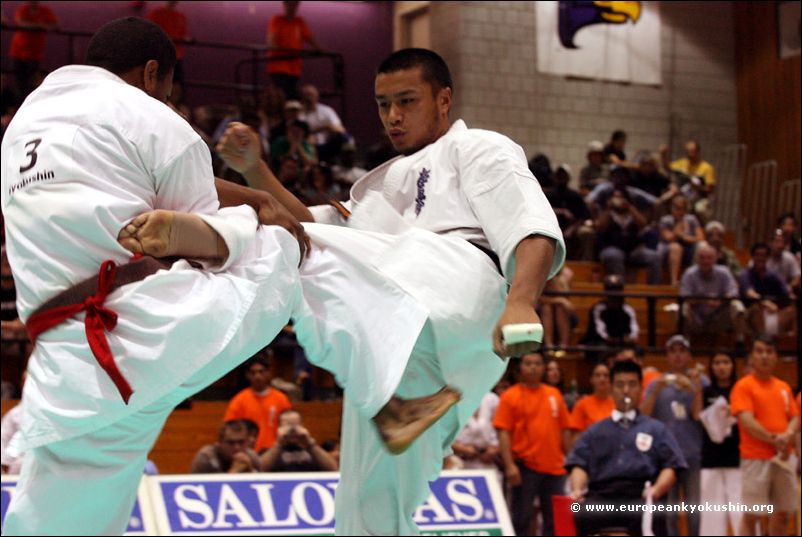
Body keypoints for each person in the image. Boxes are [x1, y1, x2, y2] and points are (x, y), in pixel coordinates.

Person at [138, 47, 564, 536]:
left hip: (461, 285)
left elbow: (532, 225)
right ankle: (400, 407)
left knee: (287, 243)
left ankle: (206, 237)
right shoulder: (375, 184)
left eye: (407, 101)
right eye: (383, 105)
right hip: (404, 348)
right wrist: (256, 171)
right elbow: (305, 226)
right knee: (366, 504)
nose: (393, 116)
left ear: (444, 100)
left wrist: (521, 300)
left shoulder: (480, 148)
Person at [0, 17, 317, 536]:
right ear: (152, 74)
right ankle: (384, 376)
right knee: (286, 245)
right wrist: (260, 209)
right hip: (148, 333)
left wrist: (255, 194)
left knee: (56, 517)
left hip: (64, 364)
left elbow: (121, 168)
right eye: (167, 89)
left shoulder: (25, 121)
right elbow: (206, 247)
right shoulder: (155, 119)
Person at [567, 360, 687, 536]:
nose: (625, 391)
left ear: (640, 389)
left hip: (640, 493)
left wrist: (656, 490)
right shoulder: (595, 431)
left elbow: (671, 466)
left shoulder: (656, 429)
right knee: (581, 512)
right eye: (620, 385)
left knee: (653, 513)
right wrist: (577, 489)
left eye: (632, 385)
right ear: (611, 388)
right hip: (601, 494)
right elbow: (579, 463)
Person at [494, 353, 571, 536]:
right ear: (520, 367)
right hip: (524, 467)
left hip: (555, 468)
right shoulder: (509, 396)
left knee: (554, 520)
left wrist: (570, 460)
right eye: (528, 363)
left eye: (537, 363)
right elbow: (503, 432)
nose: (533, 367)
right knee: (521, 518)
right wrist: (510, 465)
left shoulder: (554, 395)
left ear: (543, 368)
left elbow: (564, 430)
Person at [730, 336, 799, 536]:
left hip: (784, 458)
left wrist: (787, 435)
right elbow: (747, 421)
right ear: (752, 356)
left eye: (769, 352)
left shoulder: (783, 387)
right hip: (755, 457)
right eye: (759, 351)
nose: (764, 356)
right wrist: (774, 439)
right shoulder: (744, 386)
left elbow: (794, 417)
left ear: (776, 356)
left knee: (783, 513)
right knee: (752, 515)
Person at [641, 334, 707, 536]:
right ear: (667, 356)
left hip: (692, 454)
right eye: (673, 352)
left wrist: (695, 390)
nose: (678, 356)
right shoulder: (656, 383)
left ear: (689, 355)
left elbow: (701, 417)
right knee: (669, 510)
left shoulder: (701, 381)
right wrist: (655, 391)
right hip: (667, 457)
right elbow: (643, 416)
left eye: (682, 351)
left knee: (694, 508)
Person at [699, 353, 742, 536]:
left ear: (732, 366)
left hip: (738, 458)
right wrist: (696, 389)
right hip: (711, 458)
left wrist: (734, 412)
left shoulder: (740, 389)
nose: (721, 367)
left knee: (740, 511)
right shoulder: (707, 391)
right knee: (712, 514)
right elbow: (696, 415)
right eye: (717, 362)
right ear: (712, 367)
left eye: (725, 362)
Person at [679, 242, 746, 349]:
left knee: (737, 305)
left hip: (719, 318)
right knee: (683, 308)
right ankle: (685, 344)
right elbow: (684, 297)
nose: (706, 261)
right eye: (702, 258)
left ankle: (739, 342)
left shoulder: (724, 272)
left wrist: (720, 301)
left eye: (709, 258)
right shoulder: (689, 273)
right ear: (697, 259)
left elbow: (733, 292)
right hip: (697, 318)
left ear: (715, 259)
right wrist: (705, 301)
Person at [223, 354, 292, 453]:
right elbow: (230, 430)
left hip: (275, 453)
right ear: (247, 375)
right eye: (253, 373)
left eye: (261, 372)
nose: (257, 376)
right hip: (248, 453)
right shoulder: (239, 400)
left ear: (269, 373)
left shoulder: (281, 399)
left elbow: (288, 427)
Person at [595, 185, 661, 284]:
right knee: (615, 255)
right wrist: (609, 209)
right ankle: (620, 290)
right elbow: (600, 226)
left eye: (621, 197)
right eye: (616, 197)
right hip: (611, 248)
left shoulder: (632, 213)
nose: (619, 200)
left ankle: (653, 291)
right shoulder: (608, 213)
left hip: (633, 251)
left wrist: (630, 208)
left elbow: (643, 224)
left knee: (654, 257)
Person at [265, 1, 321, 100]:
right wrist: (272, 45)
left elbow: (309, 38)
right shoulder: (277, 20)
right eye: (289, 4)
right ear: (284, 5)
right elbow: (271, 37)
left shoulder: (299, 22)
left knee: (290, 94)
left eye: (294, 4)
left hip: (294, 67)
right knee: (282, 93)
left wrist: (319, 49)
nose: (291, 7)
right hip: (278, 65)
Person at [740, 242, 796, 337]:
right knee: (756, 309)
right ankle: (763, 341)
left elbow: (786, 293)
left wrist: (793, 299)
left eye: (764, 255)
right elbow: (750, 293)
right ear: (752, 256)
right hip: (752, 312)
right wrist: (765, 303)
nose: (760, 258)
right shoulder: (746, 274)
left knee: (793, 310)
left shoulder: (773, 275)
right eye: (757, 255)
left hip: (774, 311)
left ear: (768, 257)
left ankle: (789, 345)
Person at [7, 1, 59, 99]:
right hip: (19, 51)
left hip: (35, 53)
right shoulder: (23, 10)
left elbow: (56, 26)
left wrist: (35, 25)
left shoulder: (45, 11)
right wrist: (41, 25)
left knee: (33, 83)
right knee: (19, 82)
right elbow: (21, 23)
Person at [260, 408, 338, 471]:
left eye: (296, 425)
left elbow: (333, 468)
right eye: (287, 425)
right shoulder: (269, 451)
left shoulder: (313, 451)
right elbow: (260, 469)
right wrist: (279, 443)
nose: (292, 430)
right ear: (279, 427)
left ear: (302, 426)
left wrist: (309, 442)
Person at [546, 163, 595, 260]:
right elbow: (542, 210)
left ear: (568, 178)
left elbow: (583, 215)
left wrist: (572, 228)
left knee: (586, 233)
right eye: (559, 175)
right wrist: (562, 211)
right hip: (551, 226)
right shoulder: (548, 194)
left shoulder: (574, 196)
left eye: (563, 175)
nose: (561, 178)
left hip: (572, 227)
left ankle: (585, 262)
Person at [660, 140, 715, 221]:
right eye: (688, 151)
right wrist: (663, 155)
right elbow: (667, 168)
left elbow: (710, 189)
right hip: (682, 195)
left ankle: (702, 230)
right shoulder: (681, 163)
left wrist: (698, 187)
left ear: (698, 152)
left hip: (699, 198)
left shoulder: (707, 168)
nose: (690, 154)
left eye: (692, 151)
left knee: (700, 209)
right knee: (666, 201)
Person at [659, 194, 704, 286]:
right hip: (668, 250)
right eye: (676, 208)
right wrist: (677, 230)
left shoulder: (692, 219)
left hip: (688, 248)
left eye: (681, 208)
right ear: (671, 208)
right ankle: (674, 281)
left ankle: (694, 279)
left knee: (703, 246)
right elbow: (668, 238)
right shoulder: (665, 220)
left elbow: (701, 237)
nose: (678, 211)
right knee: (676, 247)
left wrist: (683, 237)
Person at [299, 83, 348, 163]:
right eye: (306, 95)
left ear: (317, 96)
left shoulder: (326, 110)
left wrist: (324, 127)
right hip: (305, 145)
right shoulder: (299, 112)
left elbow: (341, 130)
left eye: (311, 95)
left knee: (343, 138)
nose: (309, 98)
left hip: (326, 145)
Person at [190, 420, 262, 473]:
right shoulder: (205, 458)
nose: (237, 447)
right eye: (231, 443)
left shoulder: (252, 457)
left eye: (241, 442)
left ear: (247, 441)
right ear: (219, 443)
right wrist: (234, 472)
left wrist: (251, 471)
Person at [146, 1, 189, 86]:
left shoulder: (180, 17)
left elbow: (182, 34)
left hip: (175, 55)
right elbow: (149, 32)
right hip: (160, 54)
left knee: (176, 82)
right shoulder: (156, 13)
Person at [569, 362, 615, 435]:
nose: (602, 379)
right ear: (591, 379)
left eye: (606, 376)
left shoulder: (618, 404)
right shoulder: (582, 404)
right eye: (597, 375)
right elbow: (576, 437)